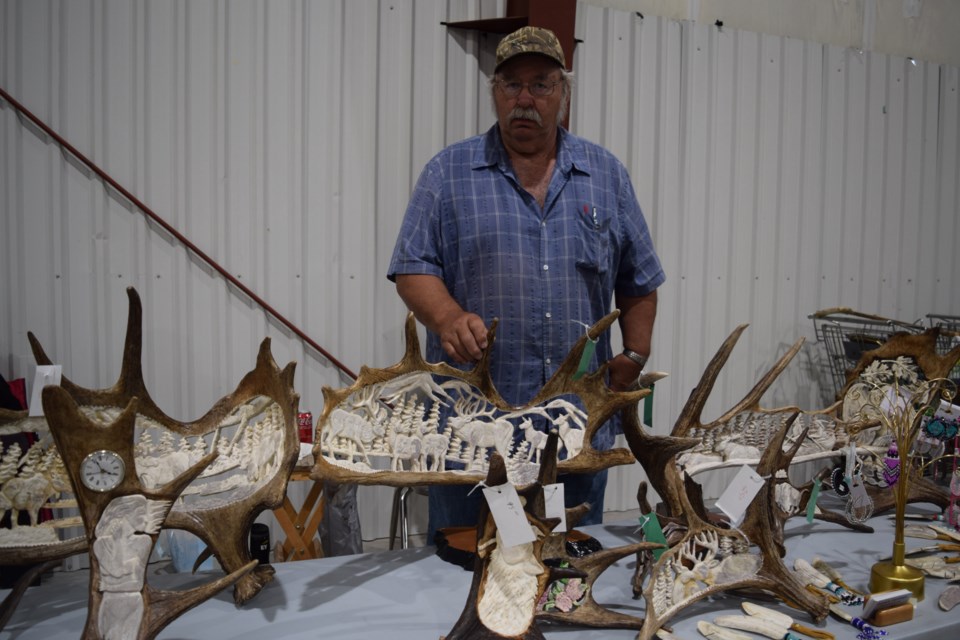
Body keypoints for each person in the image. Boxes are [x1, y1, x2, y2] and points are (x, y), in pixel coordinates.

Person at [387, 26, 665, 542]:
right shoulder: (448, 173)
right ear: (494, 92)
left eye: (540, 85)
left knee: (566, 573)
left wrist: (636, 355)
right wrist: (447, 316)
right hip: (473, 433)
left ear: (563, 93)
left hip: (574, 433)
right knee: (466, 572)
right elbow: (412, 267)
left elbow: (639, 277)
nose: (524, 100)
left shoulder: (606, 175)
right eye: (510, 85)